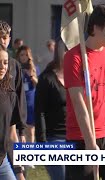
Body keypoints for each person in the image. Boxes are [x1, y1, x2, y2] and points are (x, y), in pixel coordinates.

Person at [63, 4, 105, 180]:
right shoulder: (74, 57)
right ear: (96, 28)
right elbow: (79, 104)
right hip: (80, 138)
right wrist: (90, 143)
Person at [35, 39, 67, 180]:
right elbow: (39, 111)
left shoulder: (76, 78)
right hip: (54, 139)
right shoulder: (46, 79)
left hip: (75, 137)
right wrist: (42, 142)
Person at [0, 20, 27, 179]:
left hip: (4, 153)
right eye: (0, 37)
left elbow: (19, 96)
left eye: (6, 37)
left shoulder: (14, 65)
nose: (4, 40)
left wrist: (22, 129)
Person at [16, 45, 39, 144]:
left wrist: (31, 75)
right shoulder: (15, 68)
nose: (24, 57)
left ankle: (30, 151)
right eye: (22, 55)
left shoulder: (34, 68)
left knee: (30, 130)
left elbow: (38, 85)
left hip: (30, 102)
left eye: (26, 55)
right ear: (18, 56)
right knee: (19, 131)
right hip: (19, 102)